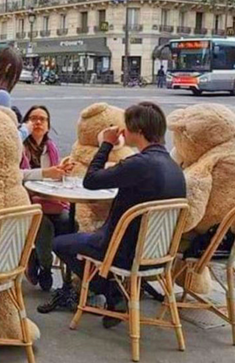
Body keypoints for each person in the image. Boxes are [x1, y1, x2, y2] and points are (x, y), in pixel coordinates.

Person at [38, 102, 186, 326]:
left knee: (60, 243)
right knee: (87, 237)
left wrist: (106, 144)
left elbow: (91, 180)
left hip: (122, 250)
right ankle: (115, 293)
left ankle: (112, 291)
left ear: (138, 131)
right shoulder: (174, 167)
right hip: (159, 253)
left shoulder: (138, 164)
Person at [20, 106, 76, 291]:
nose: (38, 122)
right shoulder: (19, 146)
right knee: (44, 226)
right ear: (25, 123)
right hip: (25, 202)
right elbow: (15, 174)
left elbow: (53, 176)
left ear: (48, 126)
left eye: (42, 119)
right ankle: (45, 266)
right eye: (33, 118)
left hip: (50, 200)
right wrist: (46, 173)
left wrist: (61, 171)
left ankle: (41, 259)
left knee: (70, 223)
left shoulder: (50, 147)